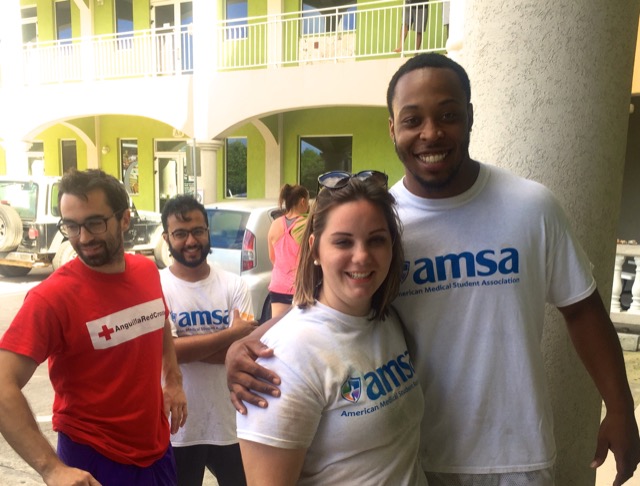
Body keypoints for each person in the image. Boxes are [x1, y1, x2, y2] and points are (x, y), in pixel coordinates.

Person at [226, 53, 640, 486]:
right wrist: (250, 344)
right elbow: (334, 308)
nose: (430, 133)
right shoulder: (382, 222)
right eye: (412, 120)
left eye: (448, 115)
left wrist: (620, 408)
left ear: (470, 117)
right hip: (418, 457)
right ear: (392, 128)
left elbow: (582, 308)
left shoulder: (531, 207)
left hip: (517, 457)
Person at [0, 168, 187, 485]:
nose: (83, 238)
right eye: (71, 226)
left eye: (94, 223)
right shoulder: (52, 298)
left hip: (157, 451)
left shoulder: (145, 271)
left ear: (124, 219)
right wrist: (51, 468)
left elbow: (159, 322)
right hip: (94, 461)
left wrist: (173, 378)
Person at [236, 175, 427, 485]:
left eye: (376, 239)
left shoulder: (387, 320)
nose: (362, 256)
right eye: (343, 241)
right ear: (314, 249)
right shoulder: (287, 355)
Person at [160, 195, 260, 486]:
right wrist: (230, 335)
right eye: (180, 234)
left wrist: (179, 349)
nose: (191, 241)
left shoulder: (234, 285)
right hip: (178, 429)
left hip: (231, 424)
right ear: (167, 237)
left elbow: (245, 351)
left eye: (198, 231)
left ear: (207, 232)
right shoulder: (157, 286)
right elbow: (169, 352)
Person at [267, 184, 309, 317]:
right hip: (299, 287)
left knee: (277, 329)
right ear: (303, 201)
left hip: (278, 285)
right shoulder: (306, 224)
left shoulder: (275, 224)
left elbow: (272, 258)